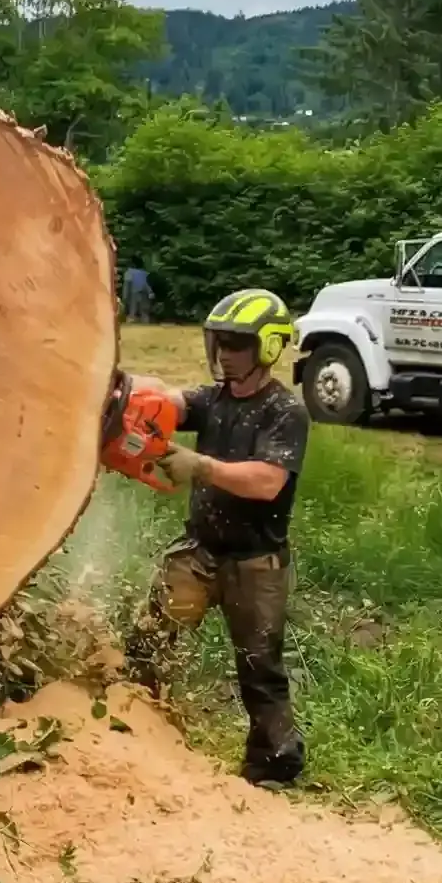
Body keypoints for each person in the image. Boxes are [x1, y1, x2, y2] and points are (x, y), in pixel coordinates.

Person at [125, 288, 310, 785]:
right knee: (150, 637)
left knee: (260, 667)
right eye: (220, 342)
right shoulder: (213, 400)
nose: (225, 353)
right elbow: (170, 402)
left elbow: (268, 481)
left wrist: (202, 466)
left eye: (237, 344)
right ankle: (131, 727)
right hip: (200, 551)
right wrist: (126, 389)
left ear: (267, 347)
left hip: (256, 562)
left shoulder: (284, 412)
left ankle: (272, 764)